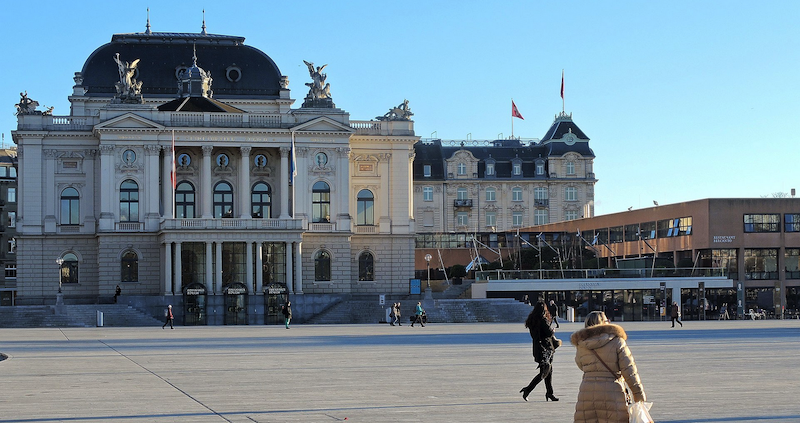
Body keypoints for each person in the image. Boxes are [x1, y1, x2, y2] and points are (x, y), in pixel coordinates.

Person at [571, 311, 646, 422]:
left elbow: (581, 364)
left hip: (587, 392)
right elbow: (629, 370)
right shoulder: (617, 341)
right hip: (612, 390)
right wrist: (638, 394)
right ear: (603, 323)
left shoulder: (581, 344)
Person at [520, 301, 560, 402]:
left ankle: (549, 393)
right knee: (544, 372)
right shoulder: (542, 320)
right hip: (546, 348)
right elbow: (549, 333)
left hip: (538, 348)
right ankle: (527, 390)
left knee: (549, 371)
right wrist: (553, 330)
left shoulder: (532, 321)